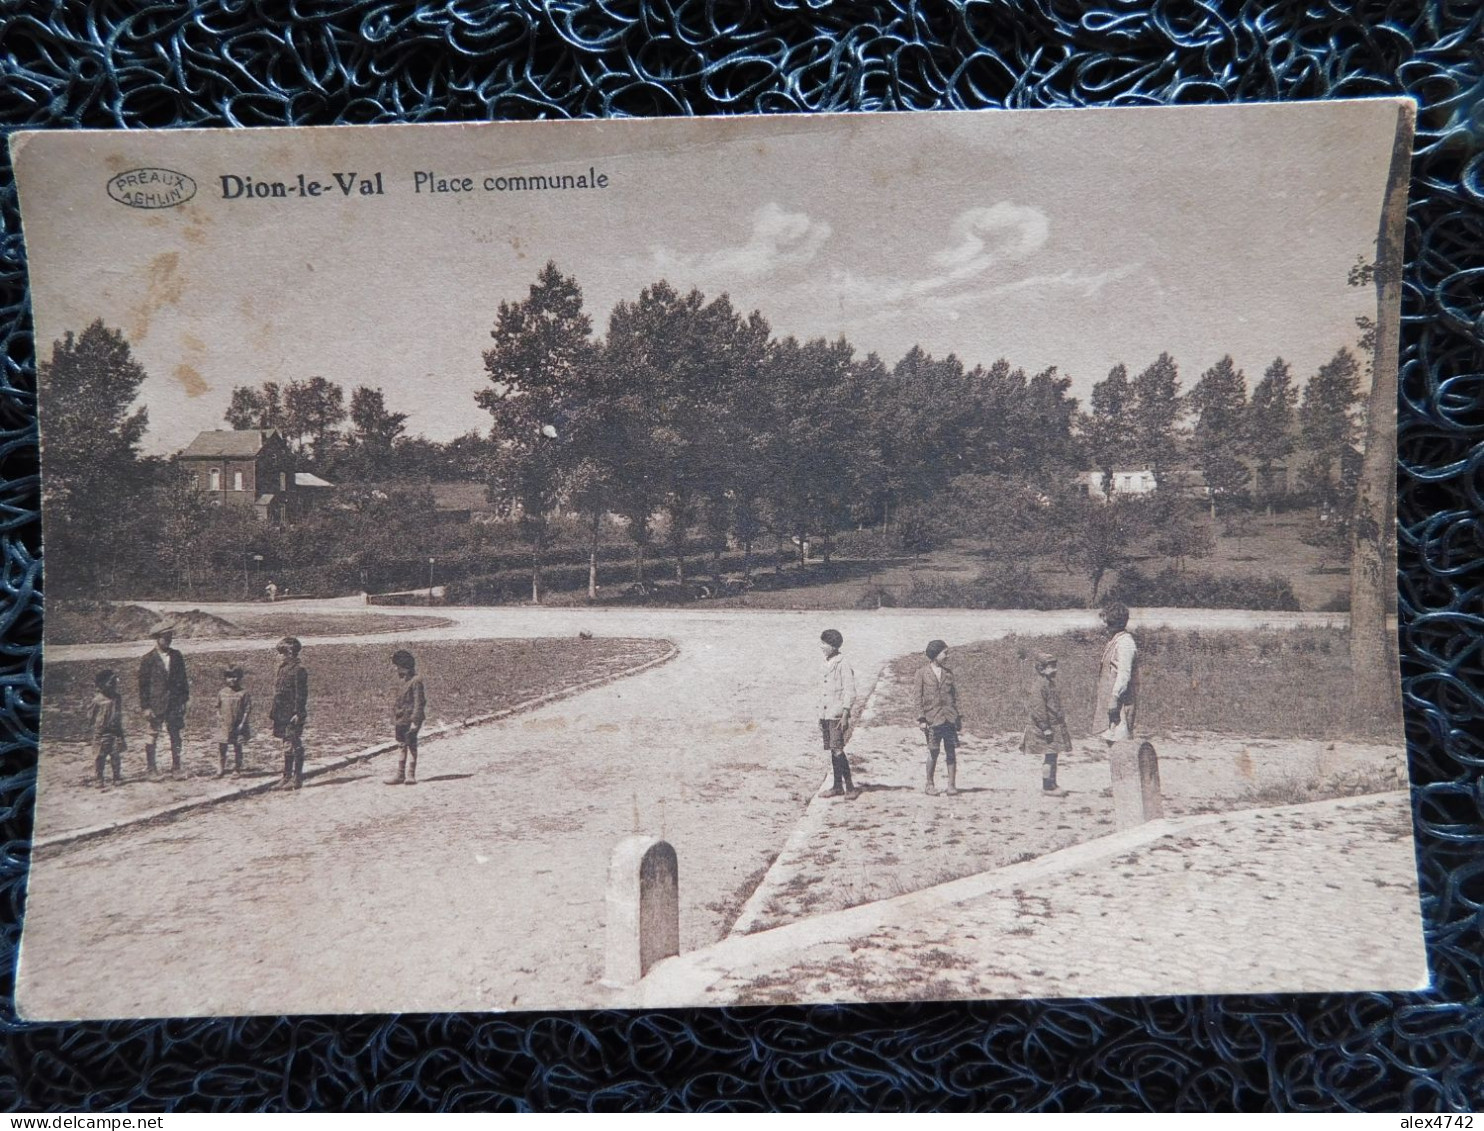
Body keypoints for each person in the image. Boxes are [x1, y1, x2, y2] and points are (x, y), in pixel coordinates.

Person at [137, 624, 189, 778]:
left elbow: (183, 681)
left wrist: (184, 700)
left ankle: (176, 767)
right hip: (156, 704)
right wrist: (145, 707)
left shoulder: (177, 656)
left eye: (170, 637)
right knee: (152, 735)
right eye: (165, 638)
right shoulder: (148, 659)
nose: (168, 640)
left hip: (174, 704)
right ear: (157, 638)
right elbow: (143, 686)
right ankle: (151, 769)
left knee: (175, 734)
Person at [915, 639, 962, 796]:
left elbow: (954, 697)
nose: (947, 656)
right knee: (933, 751)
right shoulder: (921, 673)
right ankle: (929, 784)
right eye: (945, 653)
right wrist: (921, 719)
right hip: (932, 720)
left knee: (951, 751)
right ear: (935, 655)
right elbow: (917, 698)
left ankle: (951, 785)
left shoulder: (948, 673)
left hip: (949, 720)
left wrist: (957, 718)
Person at [817, 628, 859, 800]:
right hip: (826, 714)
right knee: (832, 750)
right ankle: (837, 786)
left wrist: (846, 713)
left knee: (838, 750)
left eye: (824, 644)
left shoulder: (843, 664)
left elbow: (850, 690)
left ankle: (850, 787)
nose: (821, 647)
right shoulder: (826, 663)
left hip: (837, 714)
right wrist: (820, 715)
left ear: (833, 646)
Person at [1022, 652, 1072, 796]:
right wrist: (1046, 728)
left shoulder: (1049, 683)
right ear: (1041, 669)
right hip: (1045, 727)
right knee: (1049, 756)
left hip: (1053, 725)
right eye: (1051, 667)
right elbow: (1038, 709)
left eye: (1055, 666)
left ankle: (1052, 782)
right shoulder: (1039, 685)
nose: (1055, 669)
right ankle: (1047, 786)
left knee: (1053, 755)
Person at [1096, 602, 1139, 741]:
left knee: (1120, 742)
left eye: (1105, 621)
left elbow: (1124, 675)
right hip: (1112, 699)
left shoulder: (1125, 643)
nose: (1103, 625)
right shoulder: (1116, 640)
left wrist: (1114, 698)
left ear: (1113, 622)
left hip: (1121, 700)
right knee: (1112, 741)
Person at [269, 636, 309, 790]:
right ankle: (286, 776)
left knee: (294, 743)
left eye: (281, 653)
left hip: (293, 714)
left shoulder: (299, 670)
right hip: (281, 713)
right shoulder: (283, 668)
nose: (279, 656)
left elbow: (301, 694)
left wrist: (298, 713)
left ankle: (297, 778)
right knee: (286, 744)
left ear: (290, 653)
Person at [385, 649, 426, 785]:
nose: (397, 670)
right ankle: (400, 774)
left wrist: (415, 721)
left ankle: (410, 775)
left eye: (399, 667)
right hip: (400, 719)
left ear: (407, 667)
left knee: (412, 746)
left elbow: (419, 703)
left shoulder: (416, 681)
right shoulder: (401, 681)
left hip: (411, 720)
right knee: (401, 745)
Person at [89, 669, 126, 789]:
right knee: (100, 756)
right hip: (101, 733)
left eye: (115, 684)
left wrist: (121, 733)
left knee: (115, 754)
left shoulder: (117, 698)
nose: (113, 686)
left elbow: (119, 714)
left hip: (115, 731)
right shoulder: (97, 700)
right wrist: (96, 729)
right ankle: (99, 778)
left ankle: (117, 776)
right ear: (101, 685)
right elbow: (91, 716)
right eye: (110, 684)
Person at [215, 665, 252, 777]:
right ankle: (221, 768)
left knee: (237, 747)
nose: (232, 679)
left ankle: (237, 768)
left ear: (240, 678)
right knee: (222, 747)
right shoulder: (222, 692)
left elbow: (247, 710)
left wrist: (242, 723)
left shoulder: (243, 693)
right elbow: (217, 707)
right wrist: (219, 717)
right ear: (225, 678)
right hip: (225, 725)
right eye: (229, 677)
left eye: (235, 677)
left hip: (238, 725)